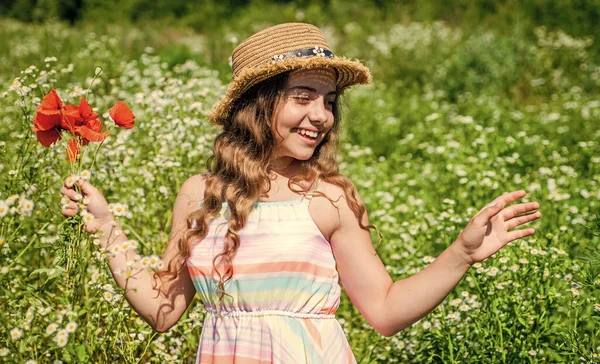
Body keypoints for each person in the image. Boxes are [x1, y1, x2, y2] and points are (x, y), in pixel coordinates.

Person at [60, 22, 542, 363]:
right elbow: (161, 311)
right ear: (257, 105)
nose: (321, 116)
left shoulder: (327, 198)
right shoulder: (199, 196)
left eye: (328, 102)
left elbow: (385, 311)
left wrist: (460, 253)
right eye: (302, 97)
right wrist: (105, 227)